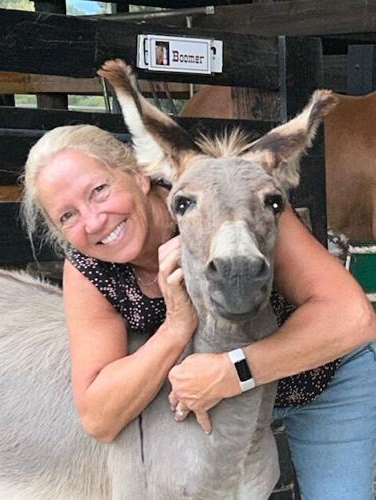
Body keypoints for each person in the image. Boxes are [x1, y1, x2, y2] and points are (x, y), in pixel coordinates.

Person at [22, 123, 376, 500]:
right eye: (68, 216)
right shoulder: (90, 268)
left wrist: (234, 372)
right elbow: (100, 416)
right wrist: (177, 326)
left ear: (139, 174)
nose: (94, 221)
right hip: (227, 405)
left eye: (99, 190)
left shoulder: (231, 196)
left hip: (319, 380)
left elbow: (353, 318)